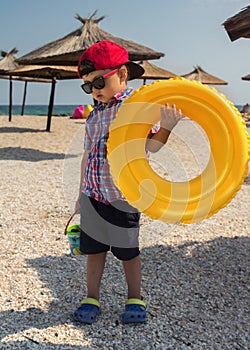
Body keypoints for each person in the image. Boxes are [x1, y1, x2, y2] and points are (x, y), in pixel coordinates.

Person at [74, 40, 182, 324]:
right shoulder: (93, 117)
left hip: (123, 197)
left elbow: (153, 147)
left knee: (128, 253)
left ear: (122, 75)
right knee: (94, 251)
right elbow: (88, 156)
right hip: (94, 196)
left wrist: (167, 127)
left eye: (99, 80)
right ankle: (91, 297)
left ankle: (135, 296)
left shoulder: (137, 108)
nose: (95, 89)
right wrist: (80, 194)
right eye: (88, 85)